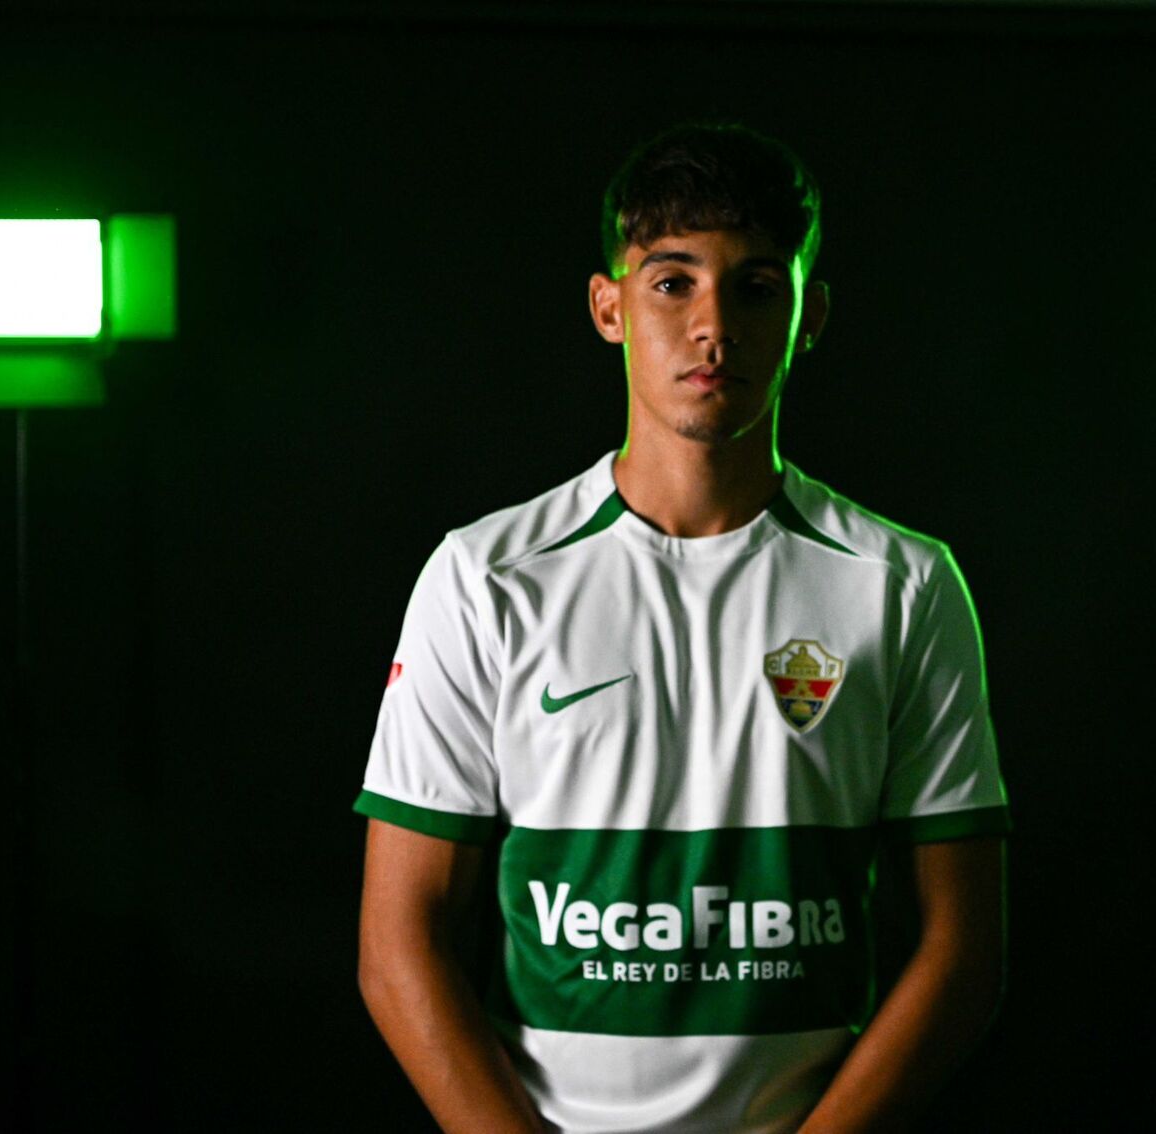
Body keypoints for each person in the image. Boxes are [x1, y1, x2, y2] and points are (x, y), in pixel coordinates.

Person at [353, 121, 1009, 1134]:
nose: (714, 326)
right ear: (608, 307)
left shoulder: (903, 584)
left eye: (755, 287)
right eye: (672, 282)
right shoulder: (484, 577)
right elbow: (398, 946)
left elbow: (962, 952)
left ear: (808, 315)